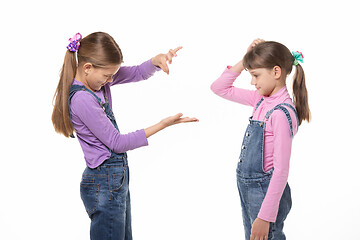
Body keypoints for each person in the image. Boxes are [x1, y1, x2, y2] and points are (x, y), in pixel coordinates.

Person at [51, 32, 198, 240]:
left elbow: (137, 72)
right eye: (107, 76)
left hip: (114, 178)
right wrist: (164, 124)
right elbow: (117, 143)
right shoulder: (82, 99)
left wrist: (156, 61)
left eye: (113, 75)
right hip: (104, 181)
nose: (110, 80)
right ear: (87, 68)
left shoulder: (97, 80)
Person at [211, 39, 310, 240]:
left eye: (256, 75)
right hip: (248, 188)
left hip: (265, 194)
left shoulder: (281, 113)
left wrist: (265, 217)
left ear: (276, 72)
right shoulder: (261, 100)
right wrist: (245, 59)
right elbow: (219, 88)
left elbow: (281, 171)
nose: (252, 82)